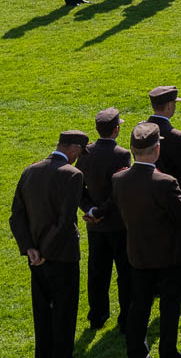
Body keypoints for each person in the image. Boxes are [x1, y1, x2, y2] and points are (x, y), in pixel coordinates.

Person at [112, 122, 181, 358]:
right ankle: (168, 351)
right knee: (169, 306)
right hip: (169, 255)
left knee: (139, 304)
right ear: (157, 149)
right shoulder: (165, 182)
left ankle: (136, 350)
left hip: (138, 253)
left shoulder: (119, 180)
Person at [11, 130, 86, 358]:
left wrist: (31, 249)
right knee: (64, 315)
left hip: (36, 260)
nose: (79, 157)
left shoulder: (30, 171)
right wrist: (44, 251)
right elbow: (64, 222)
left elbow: (17, 216)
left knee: (42, 314)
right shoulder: (72, 174)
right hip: (62, 256)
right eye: (80, 152)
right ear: (72, 149)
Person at [144, 84, 181, 299]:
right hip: (177, 195)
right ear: (169, 106)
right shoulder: (175, 136)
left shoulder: (142, 130)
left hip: (149, 195)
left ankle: (159, 285)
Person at [80, 108, 132, 332]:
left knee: (97, 272)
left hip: (95, 227)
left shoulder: (85, 153)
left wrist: (91, 210)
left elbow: (78, 186)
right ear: (117, 129)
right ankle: (126, 318)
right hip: (118, 224)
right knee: (125, 273)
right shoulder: (122, 154)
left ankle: (97, 317)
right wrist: (101, 211)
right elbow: (118, 191)